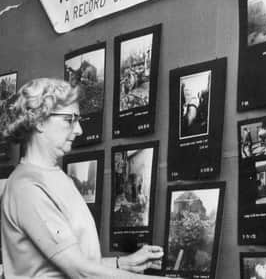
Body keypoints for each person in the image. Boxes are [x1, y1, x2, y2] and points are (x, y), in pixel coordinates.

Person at [0, 78, 169, 278]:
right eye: (69, 119)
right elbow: (81, 271)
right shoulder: (26, 188)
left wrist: (122, 263)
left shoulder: (57, 177)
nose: (79, 130)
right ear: (39, 121)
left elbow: (71, 263)